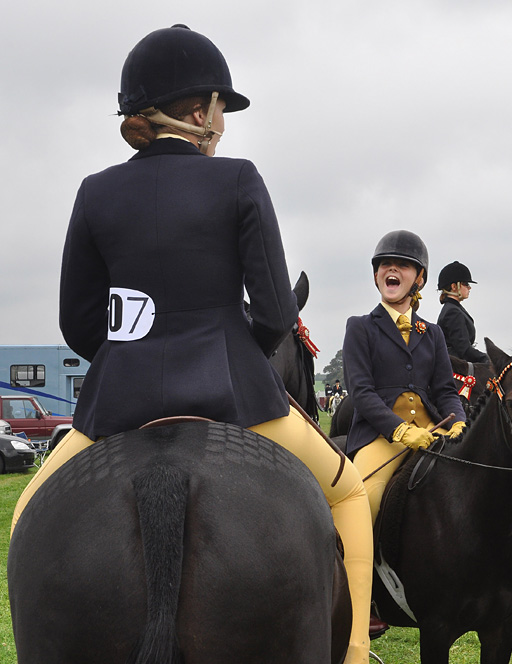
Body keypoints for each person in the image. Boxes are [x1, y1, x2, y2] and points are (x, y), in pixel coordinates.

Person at [9, 25, 374, 664]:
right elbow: (277, 312)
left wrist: (131, 354)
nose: (224, 126)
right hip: (232, 389)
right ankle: (352, 651)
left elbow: (78, 320)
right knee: (349, 494)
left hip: (117, 402)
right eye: (221, 111)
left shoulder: (95, 191)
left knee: (26, 521)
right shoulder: (238, 179)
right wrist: (239, 350)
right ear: (201, 110)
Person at [342, 231, 467, 628]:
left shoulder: (435, 332)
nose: (391, 269)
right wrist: (398, 431)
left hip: (434, 432)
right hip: (381, 438)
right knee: (362, 504)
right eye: (384, 264)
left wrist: (458, 418)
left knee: (484, 482)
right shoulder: (360, 327)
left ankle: (505, 579)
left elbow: (446, 389)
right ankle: (359, 602)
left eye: (403, 264)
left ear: (419, 279)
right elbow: (361, 393)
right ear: (377, 275)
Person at [436, 261, 489, 363]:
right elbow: (464, 350)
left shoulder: (454, 308)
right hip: (454, 366)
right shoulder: (452, 312)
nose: (469, 287)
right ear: (454, 287)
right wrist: (488, 358)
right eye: (466, 284)